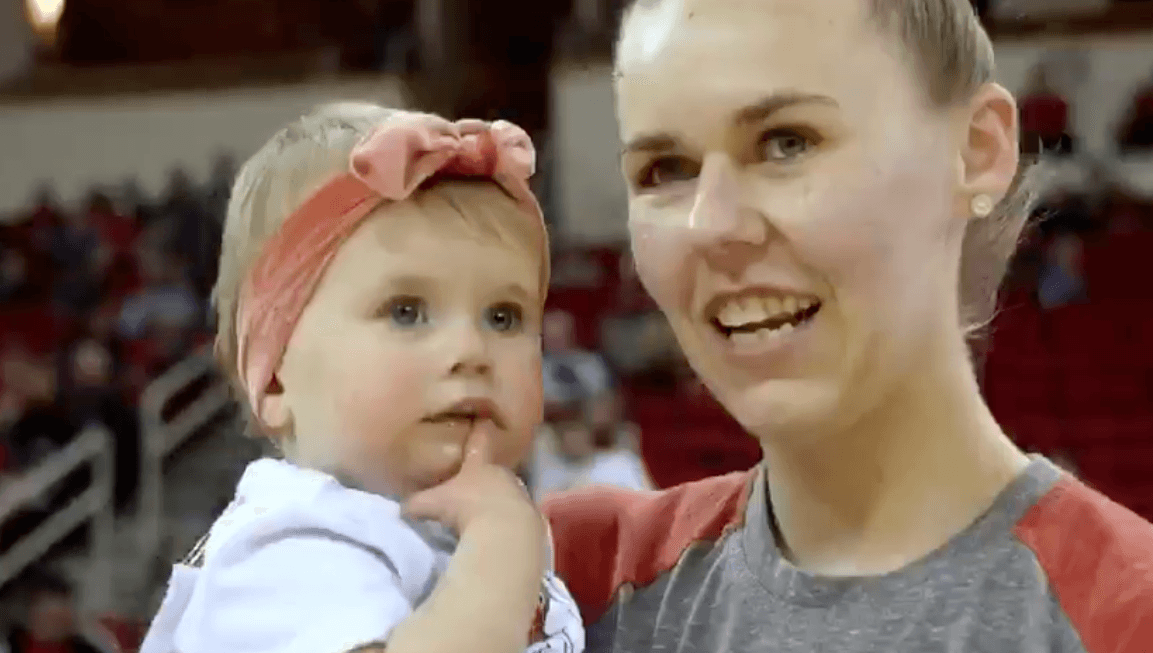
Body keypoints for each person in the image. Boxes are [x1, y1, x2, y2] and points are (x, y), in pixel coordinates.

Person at [542, 0, 1153, 650]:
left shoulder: (1123, 611)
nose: (709, 225)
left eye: (787, 142)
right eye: (664, 170)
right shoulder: (574, 578)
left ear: (975, 149)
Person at [138, 105, 583, 653]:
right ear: (276, 380)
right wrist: (502, 550)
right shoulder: (288, 546)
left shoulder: (466, 528)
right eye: (406, 311)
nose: (472, 350)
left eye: (504, 317)